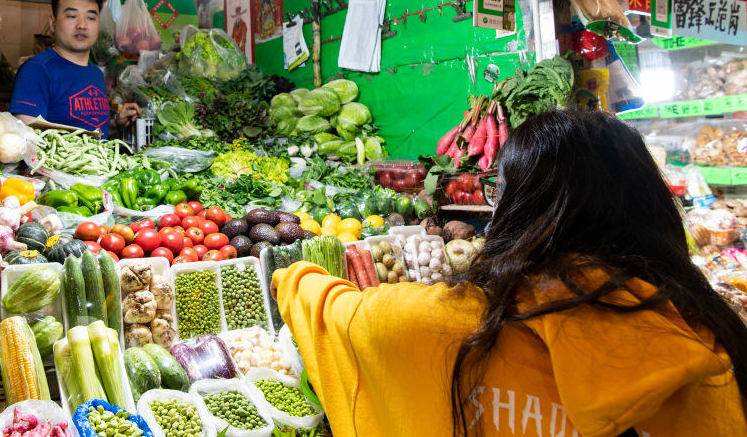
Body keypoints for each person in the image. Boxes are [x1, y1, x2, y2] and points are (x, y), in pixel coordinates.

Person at [273, 109, 747, 436]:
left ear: (518, 208)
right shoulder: (712, 338)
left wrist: (293, 276)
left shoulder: (457, 322)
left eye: (500, 193)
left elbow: (340, 315)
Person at [11, 0, 141, 134]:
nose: (82, 25)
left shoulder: (96, 73)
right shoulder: (37, 70)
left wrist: (116, 123)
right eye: (72, 16)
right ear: (52, 23)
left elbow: (93, 130)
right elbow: (27, 138)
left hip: (97, 157)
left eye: (91, 17)